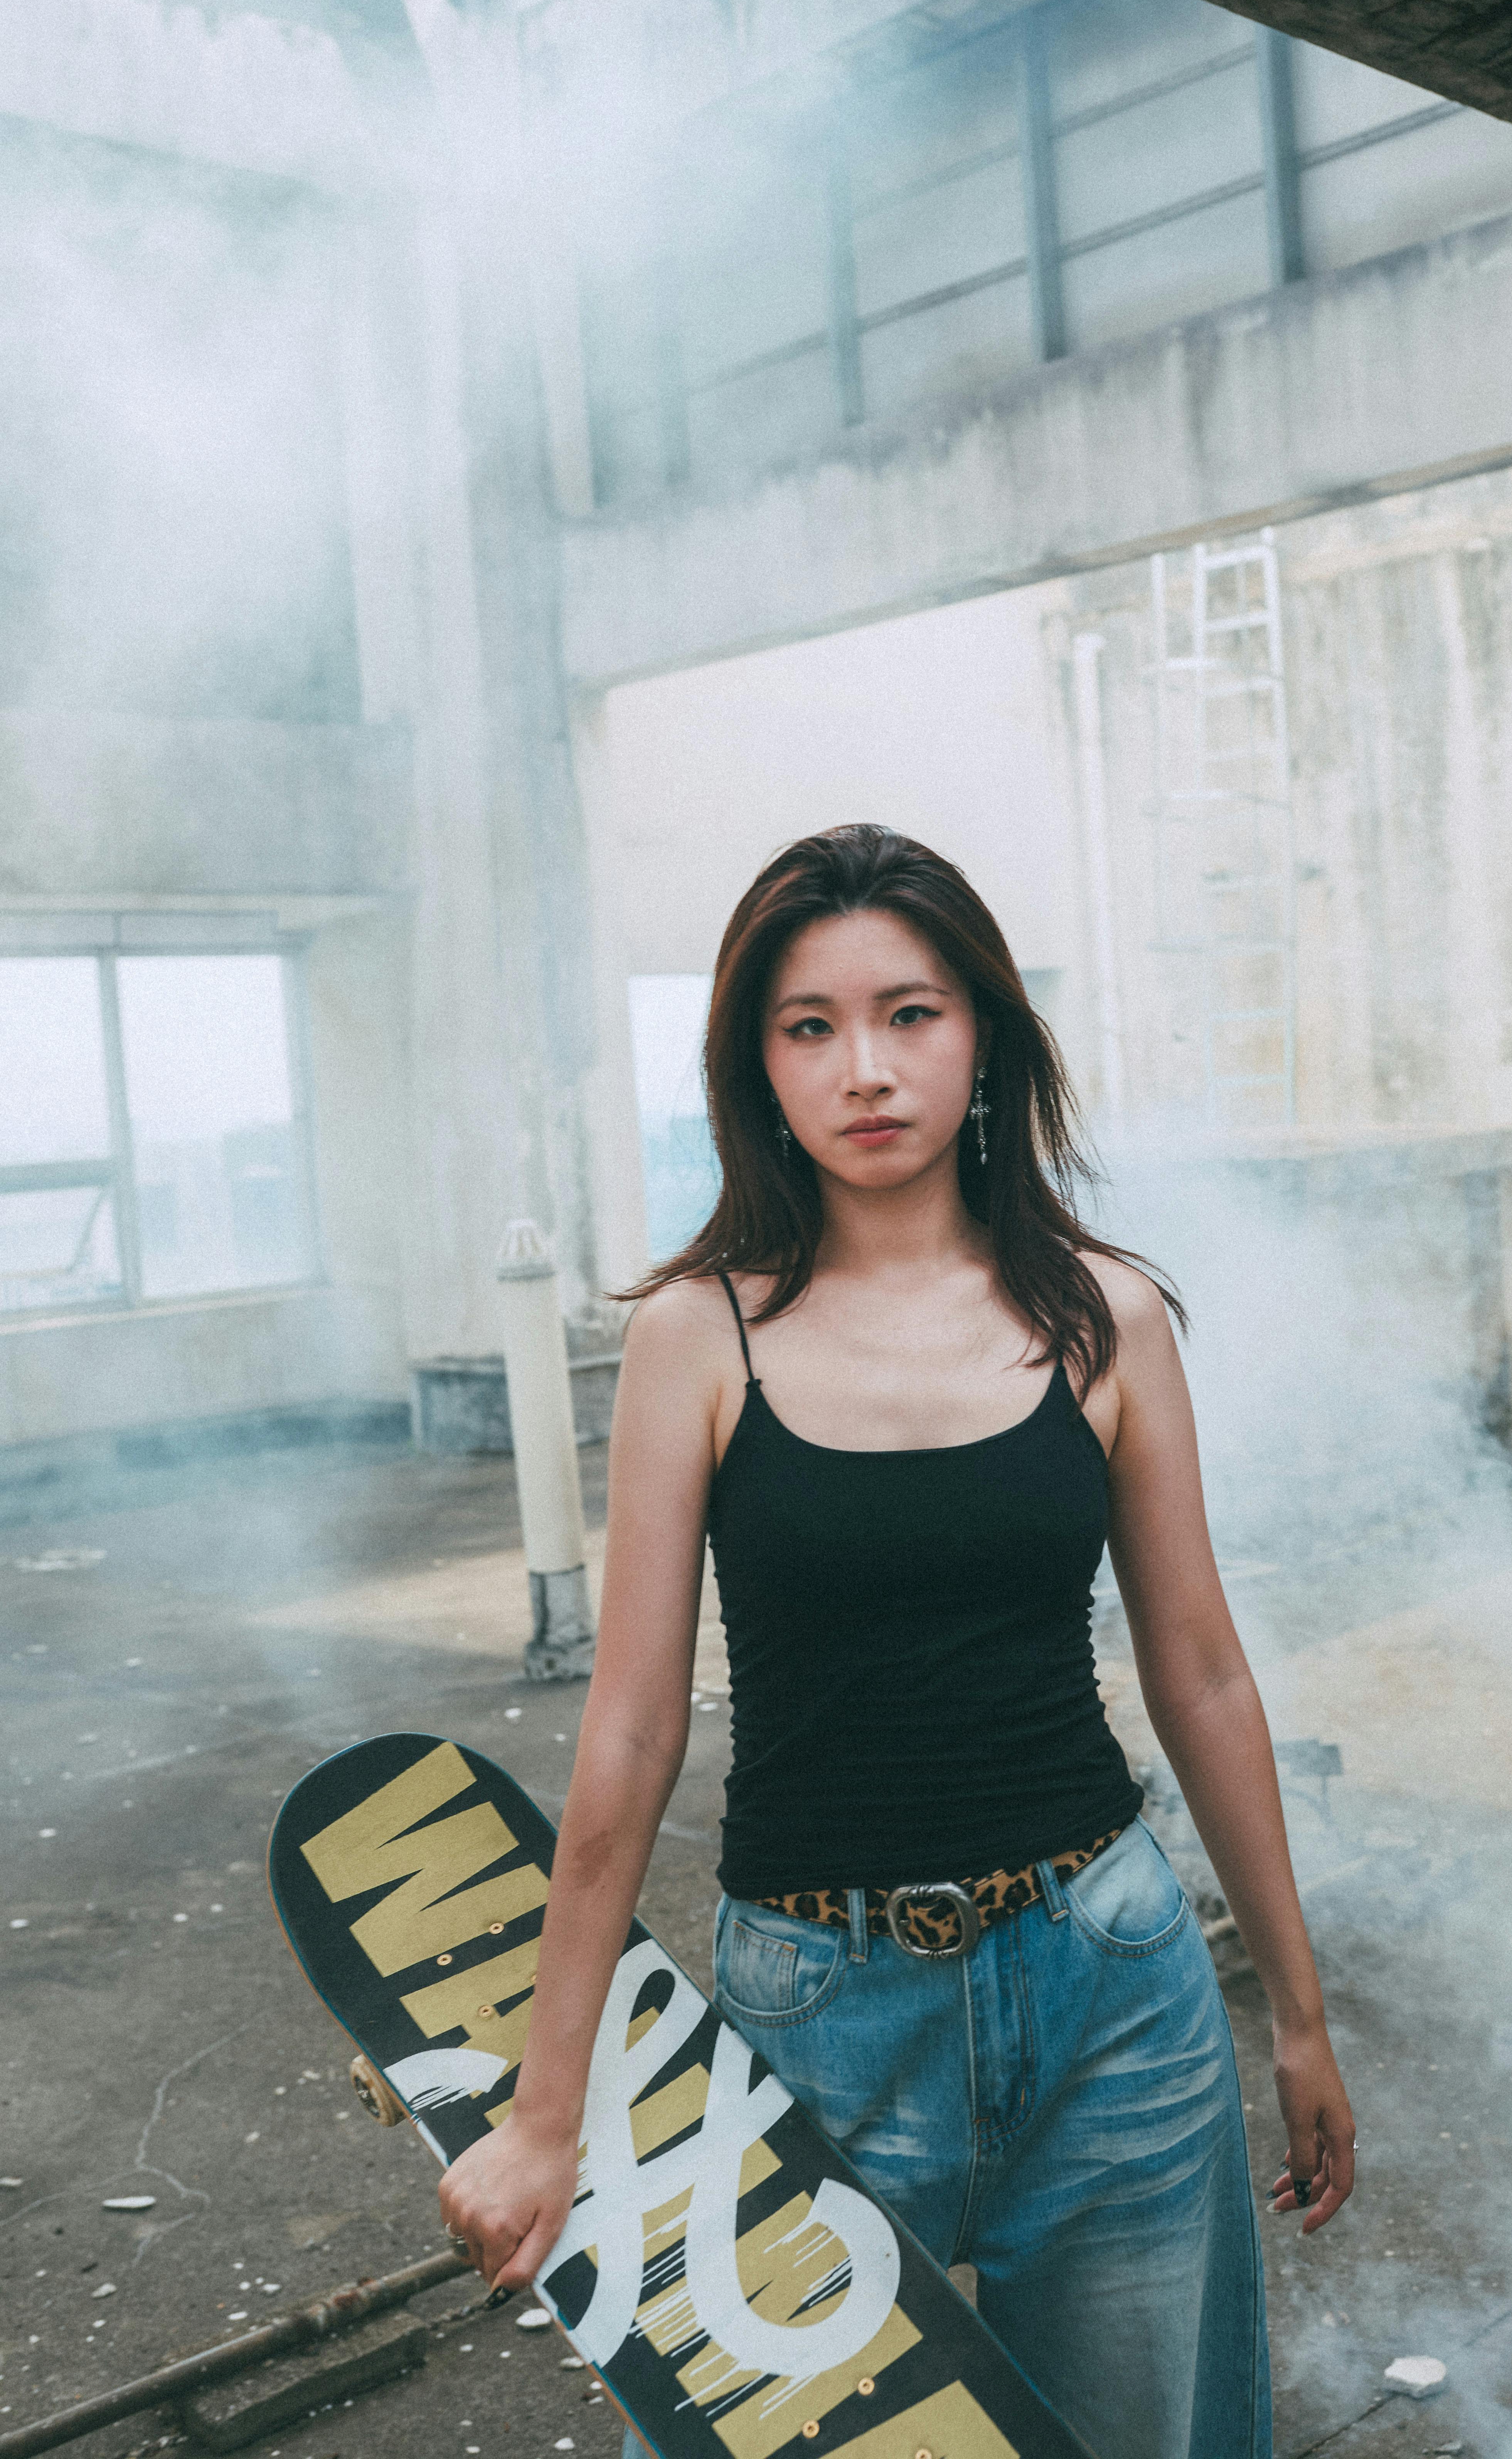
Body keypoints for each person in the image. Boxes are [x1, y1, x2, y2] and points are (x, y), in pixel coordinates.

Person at [438, 825, 1355, 2459]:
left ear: (984, 1035)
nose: (865, 1068)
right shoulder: (693, 1335)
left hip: (1112, 1988)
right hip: (817, 2015)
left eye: (910, 1013)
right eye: (810, 1026)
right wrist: (544, 2106)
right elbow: (634, 1731)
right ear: (758, 1068)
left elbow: (1199, 1671)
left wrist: (1296, 2011)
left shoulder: (1102, 1313)